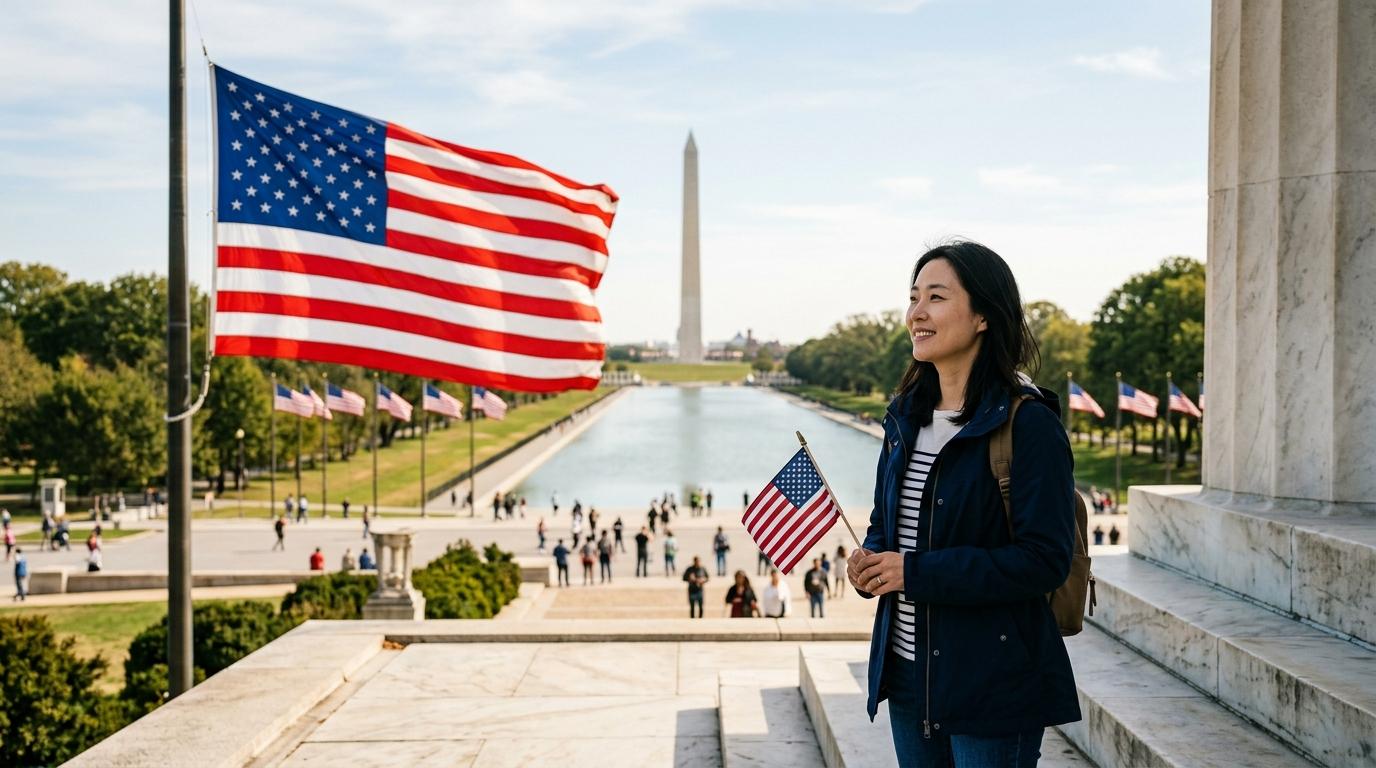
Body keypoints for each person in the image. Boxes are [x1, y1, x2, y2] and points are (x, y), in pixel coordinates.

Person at [846, 241, 1080, 765]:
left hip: (992, 683)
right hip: (907, 676)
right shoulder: (905, 418)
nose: (916, 313)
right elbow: (888, 525)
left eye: (936, 296)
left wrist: (914, 572)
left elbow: (1044, 561)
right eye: (913, 297)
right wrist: (872, 562)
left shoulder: (1029, 424)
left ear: (982, 317)